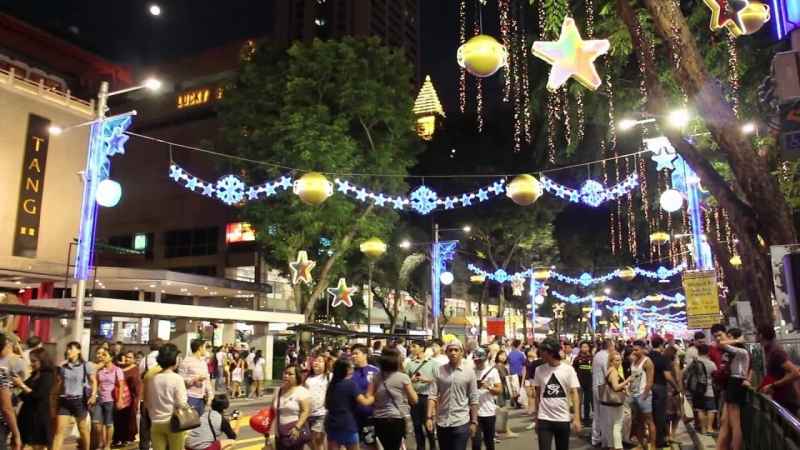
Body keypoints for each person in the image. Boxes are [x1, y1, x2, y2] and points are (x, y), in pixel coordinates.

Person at [427, 338, 479, 450]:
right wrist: (429, 417)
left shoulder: (469, 372)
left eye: (456, 350)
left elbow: (474, 398)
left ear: (462, 352)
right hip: (442, 422)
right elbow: (432, 395)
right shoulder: (439, 371)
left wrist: (474, 422)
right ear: (446, 353)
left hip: (461, 422)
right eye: (450, 350)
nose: (453, 353)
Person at [532, 338, 581, 450]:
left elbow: (575, 394)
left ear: (550, 352)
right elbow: (537, 395)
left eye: (542, 351)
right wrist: (536, 418)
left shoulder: (568, 370)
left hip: (562, 418)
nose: (540, 353)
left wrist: (577, 418)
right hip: (544, 418)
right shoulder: (539, 370)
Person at [369, 348, 417, 450]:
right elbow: (414, 399)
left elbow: (369, 397)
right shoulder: (403, 377)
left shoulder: (376, 377)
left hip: (379, 418)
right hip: (397, 418)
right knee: (396, 446)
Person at [52, 341, 96, 450]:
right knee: (59, 431)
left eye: (71, 348)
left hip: (79, 401)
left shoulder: (86, 365)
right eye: (67, 349)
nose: (68, 351)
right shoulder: (63, 366)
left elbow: (93, 381)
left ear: (79, 351)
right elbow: (59, 383)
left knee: (83, 430)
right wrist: (53, 399)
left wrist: (93, 395)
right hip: (64, 401)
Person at [144, 343, 189, 450]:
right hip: (173, 423)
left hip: (156, 422)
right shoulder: (177, 379)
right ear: (173, 359)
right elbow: (181, 403)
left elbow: (147, 402)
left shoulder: (152, 379)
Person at [324, 358, 374, 450]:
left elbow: (326, 404)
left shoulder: (332, 384)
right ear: (346, 369)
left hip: (332, 425)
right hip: (347, 424)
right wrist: (372, 394)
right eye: (351, 367)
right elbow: (365, 402)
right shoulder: (350, 384)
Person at [714, 327, 749, 450]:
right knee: (730, 421)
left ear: (734, 338)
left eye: (729, 336)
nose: (727, 339)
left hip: (736, 382)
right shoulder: (737, 351)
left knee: (735, 422)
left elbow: (721, 344)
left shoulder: (740, 351)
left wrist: (738, 340)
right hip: (733, 383)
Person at [14, 347, 55, 450]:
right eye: (31, 361)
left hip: (39, 415)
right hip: (27, 413)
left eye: (34, 361)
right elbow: (24, 395)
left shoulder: (48, 375)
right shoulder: (34, 375)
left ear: (42, 360)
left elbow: (39, 395)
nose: (32, 364)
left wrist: (22, 386)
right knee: (18, 442)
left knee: (37, 445)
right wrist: (18, 386)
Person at [757, 324, 800, 414]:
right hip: (779, 397)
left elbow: (795, 373)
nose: (755, 337)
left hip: (787, 399)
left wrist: (773, 385)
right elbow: (774, 374)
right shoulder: (768, 350)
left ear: (761, 335)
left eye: (756, 334)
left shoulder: (776, 352)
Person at [405, 340, 438, 450]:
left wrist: (427, 380)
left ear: (422, 348)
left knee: (428, 425)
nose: (411, 349)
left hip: (428, 397)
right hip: (414, 397)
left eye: (414, 346)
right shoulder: (410, 363)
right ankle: (420, 447)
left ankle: (433, 446)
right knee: (417, 425)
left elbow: (439, 380)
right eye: (411, 347)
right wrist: (411, 380)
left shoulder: (433, 363)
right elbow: (405, 381)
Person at [271, 365, 311, 450]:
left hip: (294, 433)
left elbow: (306, 411)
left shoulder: (302, 391)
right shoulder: (278, 391)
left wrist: (297, 427)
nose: (286, 376)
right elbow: (272, 411)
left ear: (297, 376)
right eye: (285, 373)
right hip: (279, 434)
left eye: (290, 374)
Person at [92, 347, 124, 450]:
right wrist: (94, 395)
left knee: (109, 423)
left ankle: (107, 445)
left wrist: (119, 400)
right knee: (96, 423)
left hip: (110, 400)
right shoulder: (100, 369)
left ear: (111, 357)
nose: (102, 357)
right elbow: (95, 382)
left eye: (105, 355)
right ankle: (101, 441)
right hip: (99, 399)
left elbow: (121, 385)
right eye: (102, 355)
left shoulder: (117, 370)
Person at [351, 344, 379, 450]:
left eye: (356, 353)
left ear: (365, 355)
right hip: (352, 417)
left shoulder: (375, 371)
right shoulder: (349, 372)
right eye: (352, 354)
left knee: (370, 444)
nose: (353, 356)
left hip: (371, 415)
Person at [472, 348, 501, 450]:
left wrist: (488, 387)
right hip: (474, 413)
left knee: (489, 442)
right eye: (475, 360)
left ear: (484, 359)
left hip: (489, 411)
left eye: (479, 360)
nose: (477, 362)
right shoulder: (471, 371)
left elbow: (499, 390)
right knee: (476, 443)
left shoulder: (493, 371)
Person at [629, 340, 655, 450]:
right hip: (634, 395)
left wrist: (644, 395)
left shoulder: (647, 362)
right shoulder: (633, 360)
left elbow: (650, 381)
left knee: (649, 421)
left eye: (636, 349)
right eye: (633, 349)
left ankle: (652, 445)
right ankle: (641, 443)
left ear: (643, 349)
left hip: (643, 395)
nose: (634, 351)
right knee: (637, 421)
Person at [113, 351, 142, 446]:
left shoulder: (135, 369)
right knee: (118, 419)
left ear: (134, 359)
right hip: (118, 397)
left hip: (130, 398)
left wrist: (136, 399)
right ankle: (117, 438)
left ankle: (125, 438)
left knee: (127, 419)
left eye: (130, 357)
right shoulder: (120, 368)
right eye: (126, 356)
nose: (127, 359)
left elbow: (137, 386)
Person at [179, 339, 213, 416]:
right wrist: (195, 379)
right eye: (205, 347)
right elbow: (180, 380)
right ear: (200, 348)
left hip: (202, 398)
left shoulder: (203, 362)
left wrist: (210, 395)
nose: (206, 350)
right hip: (190, 397)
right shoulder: (186, 361)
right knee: (190, 422)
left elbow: (207, 379)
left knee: (200, 423)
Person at [604, 352, 630, 450]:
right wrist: (627, 380)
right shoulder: (614, 372)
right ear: (611, 361)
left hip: (609, 400)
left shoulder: (609, 370)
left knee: (611, 424)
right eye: (617, 360)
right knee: (617, 424)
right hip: (615, 400)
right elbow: (615, 387)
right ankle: (618, 447)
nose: (619, 362)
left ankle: (611, 446)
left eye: (620, 360)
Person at [690, 344, 718, 435]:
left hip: (697, 389)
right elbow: (716, 374)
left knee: (700, 409)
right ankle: (709, 428)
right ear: (708, 352)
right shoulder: (711, 363)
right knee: (711, 409)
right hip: (709, 389)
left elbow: (686, 373)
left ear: (698, 352)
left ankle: (703, 429)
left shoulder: (694, 362)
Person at [305, 355, 330, 450]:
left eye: (320, 361)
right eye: (314, 361)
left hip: (322, 414)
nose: (316, 363)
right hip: (307, 414)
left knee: (318, 439)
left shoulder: (328, 376)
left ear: (325, 364)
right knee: (310, 441)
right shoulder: (307, 378)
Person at [591, 339, 611, 447]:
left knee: (597, 413)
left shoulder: (597, 355)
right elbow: (607, 372)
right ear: (610, 346)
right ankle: (605, 441)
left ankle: (595, 438)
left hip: (596, 385)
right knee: (604, 414)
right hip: (602, 387)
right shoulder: (606, 356)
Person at [493, 350, 518, 438]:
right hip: (500, 391)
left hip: (503, 390)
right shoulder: (497, 367)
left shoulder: (502, 366)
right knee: (501, 411)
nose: (503, 357)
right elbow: (504, 378)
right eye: (501, 355)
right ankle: (504, 431)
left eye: (504, 355)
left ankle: (502, 430)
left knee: (501, 411)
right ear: (497, 356)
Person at [572, 342, 593, 427]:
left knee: (587, 402)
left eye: (586, 347)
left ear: (589, 348)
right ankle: (578, 418)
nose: (584, 348)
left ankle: (587, 419)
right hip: (579, 383)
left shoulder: (592, 358)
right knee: (579, 401)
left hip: (589, 383)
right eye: (583, 347)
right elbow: (574, 369)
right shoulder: (577, 359)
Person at [522, 348, 543, 422]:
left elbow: (531, 372)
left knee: (534, 396)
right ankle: (531, 410)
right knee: (530, 395)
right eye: (529, 356)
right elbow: (525, 371)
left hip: (533, 380)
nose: (530, 357)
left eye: (531, 356)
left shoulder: (536, 362)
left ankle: (534, 411)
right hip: (529, 379)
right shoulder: (527, 361)